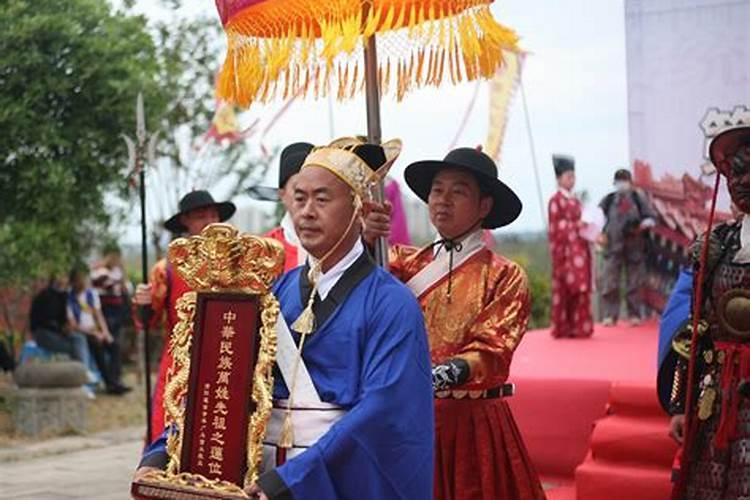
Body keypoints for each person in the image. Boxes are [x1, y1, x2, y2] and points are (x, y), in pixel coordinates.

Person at [135, 138, 435, 499]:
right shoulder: (275, 290)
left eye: (322, 199)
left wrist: (292, 479)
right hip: (263, 478)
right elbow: (225, 380)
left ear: (359, 208)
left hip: (329, 481)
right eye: (300, 198)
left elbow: (383, 410)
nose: (306, 211)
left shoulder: (391, 304)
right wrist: (164, 451)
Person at [364, 147, 545, 500]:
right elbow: (360, 292)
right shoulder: (399, 262)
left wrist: (436, 376)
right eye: (437, 190)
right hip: (406, 419)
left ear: (484, 206)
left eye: (458, 191)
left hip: (472, 425)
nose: (442, 200)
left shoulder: (505, 276)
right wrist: (367, 240)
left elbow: (492, 351)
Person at [665, 126, 750, 499]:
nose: (742, 180)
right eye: (735, 171)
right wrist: (679, 403)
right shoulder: (714, 247)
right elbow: (695, 329)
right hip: (718, 395)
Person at [133, 190, 236, 440]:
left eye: (214, 216)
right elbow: (148, 321)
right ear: (185, 222)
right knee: (168, 428)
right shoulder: (167, 267)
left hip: (226, 354)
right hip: (181, 359)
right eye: (201, 217)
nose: (210, 222)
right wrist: (143, 304)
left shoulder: (237, 263)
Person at [598, 168, 656, 326]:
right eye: (618, 181)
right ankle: (610, 315)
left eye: (624, 180)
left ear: (630, 182)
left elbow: (651, 217)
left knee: (634, 283)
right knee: (610, 281)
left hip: (634, 246)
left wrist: (640, 226)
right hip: (613, 246)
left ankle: (634, 314)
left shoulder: (638, 198)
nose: (621, 184)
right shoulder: (609, 200)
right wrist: (600, 234)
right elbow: (598, 219)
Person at [548, 154, 593, 338]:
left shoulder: (576, 200)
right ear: (559, 179)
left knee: (581, 289)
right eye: (568, 176)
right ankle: (563, 328)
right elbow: (555, 227)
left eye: (573, 176)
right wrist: (576, 225)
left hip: (580, 250)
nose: (572, 180)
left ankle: (580, 327)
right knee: (566, 289)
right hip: (565, 253)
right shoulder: (555, 200)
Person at [67, 265, 130, 395]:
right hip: (83, 332)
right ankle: (110, 384)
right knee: (98, 347)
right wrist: (94, 333)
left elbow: (98, 315)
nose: (82, 282)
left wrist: (106, 333)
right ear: (73, 281)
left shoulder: (91, 294)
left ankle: (115, 381)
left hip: (96, 330)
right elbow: (73, 324)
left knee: (114, 346)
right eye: (79, 279)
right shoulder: (70, 298)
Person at [264, 142, 314, 271]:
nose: (308, 199)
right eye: (298, 190)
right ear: (282, 195)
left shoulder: (339, 243)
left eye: (317, 191)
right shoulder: (265, 249)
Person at [91, 242, 130, 387]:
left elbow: (125, 288)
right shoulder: (99, 271)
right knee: (111, 345)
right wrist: (116, 281)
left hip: (118, 310)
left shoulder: (117, 271)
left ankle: (115, 379)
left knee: (115, 345)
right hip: (106, 311)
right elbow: (103, 284)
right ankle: (111, 380)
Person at [30, 274, 89, 365]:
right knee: (77, 346)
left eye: (65, 276)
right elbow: (45, 321)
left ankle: (80, 373)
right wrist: (61, 329)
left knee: (79, 339)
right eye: (60, 276)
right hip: (44, 334)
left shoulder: (64, 296)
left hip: (58, 333)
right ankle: (82, 373)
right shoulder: (45, 295)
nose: (62, 279)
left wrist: (67, 327)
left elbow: (64, 319)